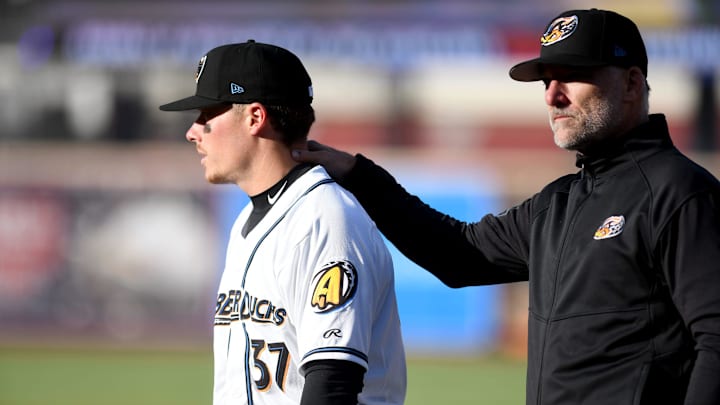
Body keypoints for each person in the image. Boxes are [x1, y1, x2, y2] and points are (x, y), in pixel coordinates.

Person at [292, 9, 720, 405]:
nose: (553, 96)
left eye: (572, 76)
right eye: (547, 80)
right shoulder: (559, 202)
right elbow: (457, 254)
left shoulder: (681, 192)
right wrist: (359, 176)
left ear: (630, 83)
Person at [159, 40, 406, 405]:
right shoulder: (247, 221)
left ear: (255, 117)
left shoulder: (324, 218)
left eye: (206, 115)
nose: (193, 131)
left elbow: (332, 383)